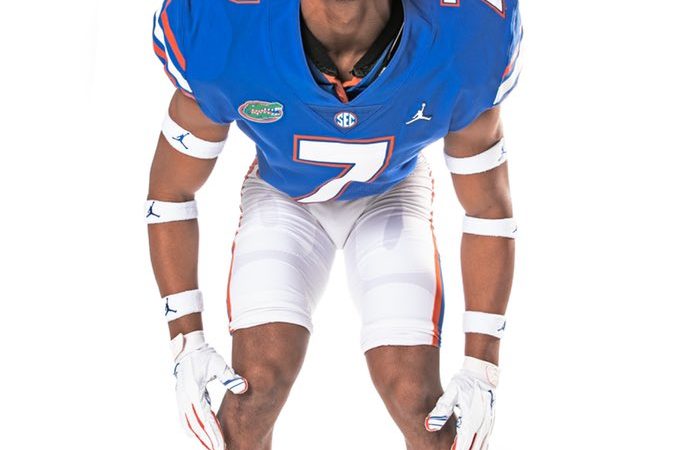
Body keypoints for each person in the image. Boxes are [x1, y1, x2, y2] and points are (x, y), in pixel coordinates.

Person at [146, 0, 522, 449]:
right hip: (284, 195)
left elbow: (488, 208)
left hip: (391, 194)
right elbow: (171, 191)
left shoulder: (469, 32)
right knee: (251, 394)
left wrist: (482, 366)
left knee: (420, 405)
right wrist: (185, 339)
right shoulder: (223, 24)